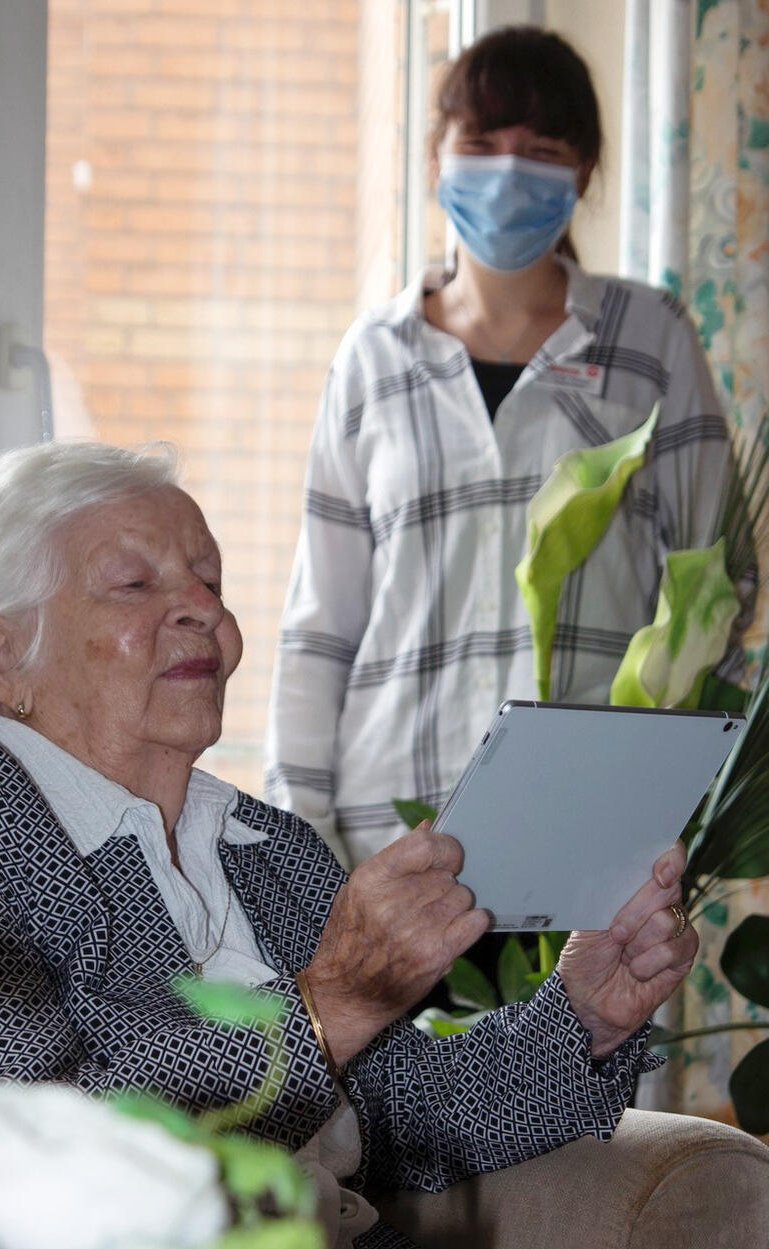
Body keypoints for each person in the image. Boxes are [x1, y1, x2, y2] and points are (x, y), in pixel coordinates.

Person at [0, 440, 700, 1249]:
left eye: (211, 582)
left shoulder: (266, 845)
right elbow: (0, 1150)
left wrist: (584, 1017)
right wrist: (324, 1010)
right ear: (5, 655)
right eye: (135, 583)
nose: (206, 611)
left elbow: (407, 1116)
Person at [264, 26, 743, 869]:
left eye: (543, 147)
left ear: (585, 172)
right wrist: (301, 845)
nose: (509, 170)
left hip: (590, 833)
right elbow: (321, 628)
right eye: (481, 143)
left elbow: (716, 580)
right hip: (389, 838)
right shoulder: (372, 357)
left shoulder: (650, 339)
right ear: (436, 160)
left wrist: (665, 797)